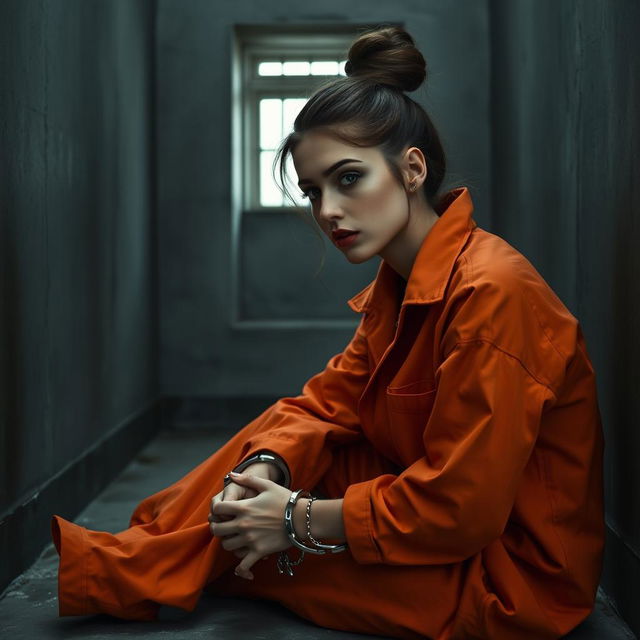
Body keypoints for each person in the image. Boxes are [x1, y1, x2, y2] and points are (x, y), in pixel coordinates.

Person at [50, 25, 605, 640]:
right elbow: (324, 404)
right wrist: (269, 472)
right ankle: (141, 553)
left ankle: (129, 563)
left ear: (412, 169)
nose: (328, 212)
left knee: (242, 555)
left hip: (503, 574)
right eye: (314, 191)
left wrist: (293, 520)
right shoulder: (400, 285)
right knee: (266, 451)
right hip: (435, 518)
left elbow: (461, 510)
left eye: (349, 179)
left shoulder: (492, 292)